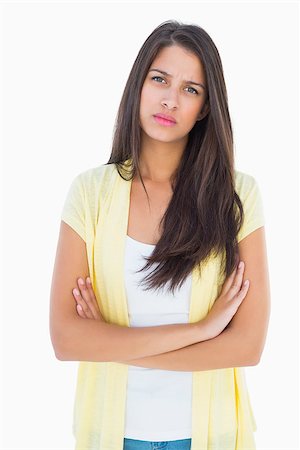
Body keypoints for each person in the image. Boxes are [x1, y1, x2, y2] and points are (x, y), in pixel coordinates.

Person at [49, 20, 271, 450]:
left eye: (191, 89)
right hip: (111, 435)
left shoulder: (237, 196)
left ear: (205, 107)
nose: (171, 98)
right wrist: (204, 329)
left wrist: (109, 343)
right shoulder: (90, 193)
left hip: (209, 436)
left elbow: (247, 346)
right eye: (160, 79)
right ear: (138, 85)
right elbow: (65, 337)